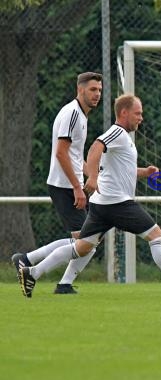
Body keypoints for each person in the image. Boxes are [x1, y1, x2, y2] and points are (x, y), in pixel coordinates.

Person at [18, 93, 161, 298]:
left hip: (101, 204)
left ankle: (32, 272)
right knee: (156, 236)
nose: (141, 118)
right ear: (124, 113)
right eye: (138, 113)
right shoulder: (117, 132)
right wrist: (93, 177)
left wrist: (145, 173)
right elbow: (95, 147)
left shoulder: (124, 139)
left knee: (82, 247)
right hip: (117, 203)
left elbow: (120, 170)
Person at [12, 72, 103, 294]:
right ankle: (35, 272)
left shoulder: (80, 115)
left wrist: (92, 176)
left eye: (99, 90)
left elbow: (73, 155)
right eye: (93, 90)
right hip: (64, 187)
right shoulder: (72, 114)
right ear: (80, 89)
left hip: (69, 185)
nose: (97, 94)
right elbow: (61, 154)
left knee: (89, 240)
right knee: (86, 243)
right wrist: (76, 187)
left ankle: (29, 260)